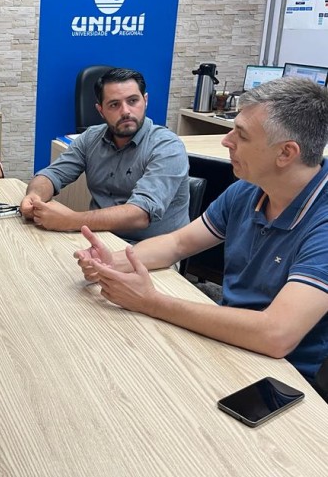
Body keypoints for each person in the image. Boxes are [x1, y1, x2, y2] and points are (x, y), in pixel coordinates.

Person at [75, 76, 328, 383]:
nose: (226, 141)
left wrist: (150, 301)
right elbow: (177, 244)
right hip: (226, 341)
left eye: (241, 135)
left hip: (282, 376)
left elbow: (276, 334)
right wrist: (112, 263)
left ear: (286, 153)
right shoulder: (248, 190)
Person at [20, 67, 189, 242]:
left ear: (145, 101)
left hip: (153, 248)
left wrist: (70, 220)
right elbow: (52, 174)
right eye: (114, 104)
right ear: (100, 110)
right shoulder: (91, 137)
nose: (126, 111)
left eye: (133, 101)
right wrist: (34, 196)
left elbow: (140, 215)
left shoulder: (167, 146)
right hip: (101, 238)